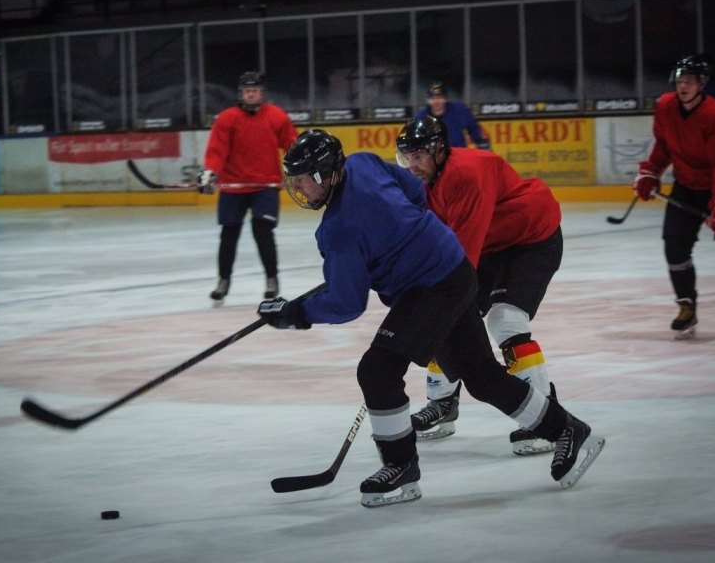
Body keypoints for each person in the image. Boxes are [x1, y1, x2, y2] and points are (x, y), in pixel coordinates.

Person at [257, 129, 604, 507]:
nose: (299, 190)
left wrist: (296, 313)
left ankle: (401, 467)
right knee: (482, 378)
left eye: (304, 180)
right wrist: (400, 238)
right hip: (453, 269)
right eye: (294, 181)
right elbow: (415, 193)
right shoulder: (363, 162)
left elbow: (346, 303)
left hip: (431, 288)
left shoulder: (338, 230)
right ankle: (568, 429)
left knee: (377, 370)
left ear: (327, 174)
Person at [395, 115, 562, 456]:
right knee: (444, 315)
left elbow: (461, 259)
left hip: (531, 240)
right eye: (406, 157)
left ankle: (546, 416)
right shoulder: (426, 180)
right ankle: (443, 403)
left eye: (418, 156)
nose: (412, 165)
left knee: (505, 320)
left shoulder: (466, 174)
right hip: (492, 243)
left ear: (439, 151)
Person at [633, 55, 715, 339]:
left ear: (702, 85)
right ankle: (686, 306)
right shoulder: (666, 106)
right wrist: (650, 171)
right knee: (674, 246)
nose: (683, 85)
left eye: (689, 81)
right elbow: (664, 145)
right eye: (680, 80)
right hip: (685, 186)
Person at [198, 71, 298, 306]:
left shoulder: (276, 116)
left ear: (262, 93)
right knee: (228, 235)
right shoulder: (227, 118)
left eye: (255, 90)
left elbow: (291, 144)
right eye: (247, 91)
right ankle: (223, 281)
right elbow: (217, 151)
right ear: (241, 94)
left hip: (265, 185)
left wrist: (299, 169)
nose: (251, 94)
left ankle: (271, 279)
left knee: (263, 231)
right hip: (234, 187)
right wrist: (210, 172)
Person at [415, 81, 491, 150]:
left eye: (439, 98)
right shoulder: (421, 116)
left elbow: (475, 130)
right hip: (434, 156)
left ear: (445, 98)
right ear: (428, 100)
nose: (436, 102)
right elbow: (415, 140)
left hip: (457, 153)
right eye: (433, 99)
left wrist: (483, 146)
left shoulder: (459, 110)